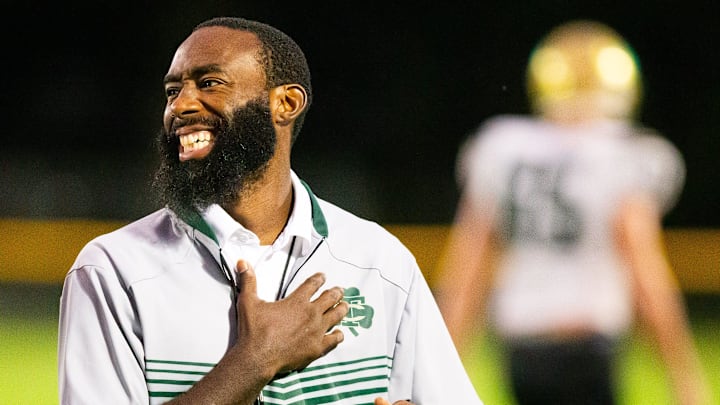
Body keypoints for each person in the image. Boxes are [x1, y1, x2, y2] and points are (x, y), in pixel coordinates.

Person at [57, 16, 483, 405]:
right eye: (173, 91)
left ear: (286, 103)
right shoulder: (113, 271)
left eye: (209, 83)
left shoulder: (380, 262)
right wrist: (254, 362)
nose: (181, 106)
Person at [435, 20, 712, 405]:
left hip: (520, 349)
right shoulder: (622, 154)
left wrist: (435, 366)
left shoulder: (501, 147)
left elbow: (467, 268)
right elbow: (642, 266)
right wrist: (682, 371)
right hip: (586, 345)